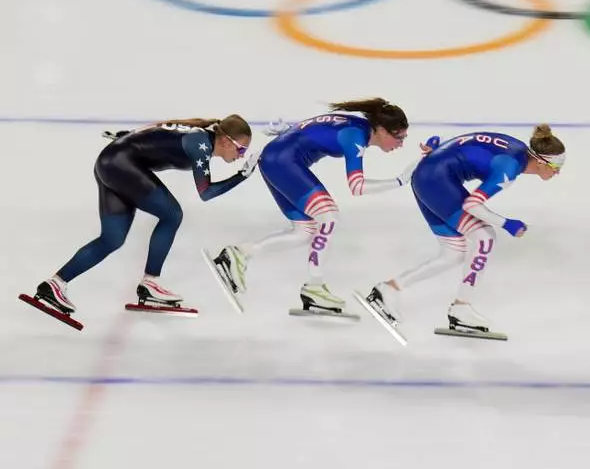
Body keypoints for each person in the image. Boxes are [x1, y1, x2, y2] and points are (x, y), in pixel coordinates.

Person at [24, 116, 255, 325]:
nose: (241, 156)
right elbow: (206, 193)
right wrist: (241, 176)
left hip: (111, 161)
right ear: (226, 140)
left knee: (112, 239)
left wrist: (130, 135)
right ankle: (150, 283)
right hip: (121, 165)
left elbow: (166, 124)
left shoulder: (202, 129)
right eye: (241, 149)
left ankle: (54, 285)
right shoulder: (200, 145)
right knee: (172, 215)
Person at [206, 98, 409, 316]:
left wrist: (288, 134)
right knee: (329, 217)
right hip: (283, 163)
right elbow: (357, 186)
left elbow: (316, 127)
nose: (401, 143)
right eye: (398, 137)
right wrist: (399, 181)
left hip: (277, 159)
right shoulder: (356, 136)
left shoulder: (356, 126)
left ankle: (239, 254)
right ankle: (315, 288)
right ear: (382, 131)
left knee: (306, 231)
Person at [359, 124, 565, 337]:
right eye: (556, 167)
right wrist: (507, 223)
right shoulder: (509, 168)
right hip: (436, 180)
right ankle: (461, 308)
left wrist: (438, 149)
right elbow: (472, 205)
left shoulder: (519, 150)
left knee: (454, 252)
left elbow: (474, 141)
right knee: (484, 237)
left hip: (429, 176)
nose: (557, 173)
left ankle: (389, 289)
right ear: (541, 162)